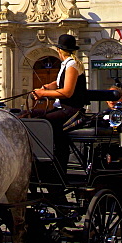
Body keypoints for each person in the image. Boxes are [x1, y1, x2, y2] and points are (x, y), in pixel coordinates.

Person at [32, 33, 87, 176]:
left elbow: (67, 92)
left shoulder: (72, 65)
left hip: (71, 109)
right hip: (63, 107)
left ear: (59, 50)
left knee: (43, 122)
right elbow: (58, 83)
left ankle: (53, 164)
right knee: (29, 116)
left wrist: (44, 94)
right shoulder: (66, 64)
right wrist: (46, 87)